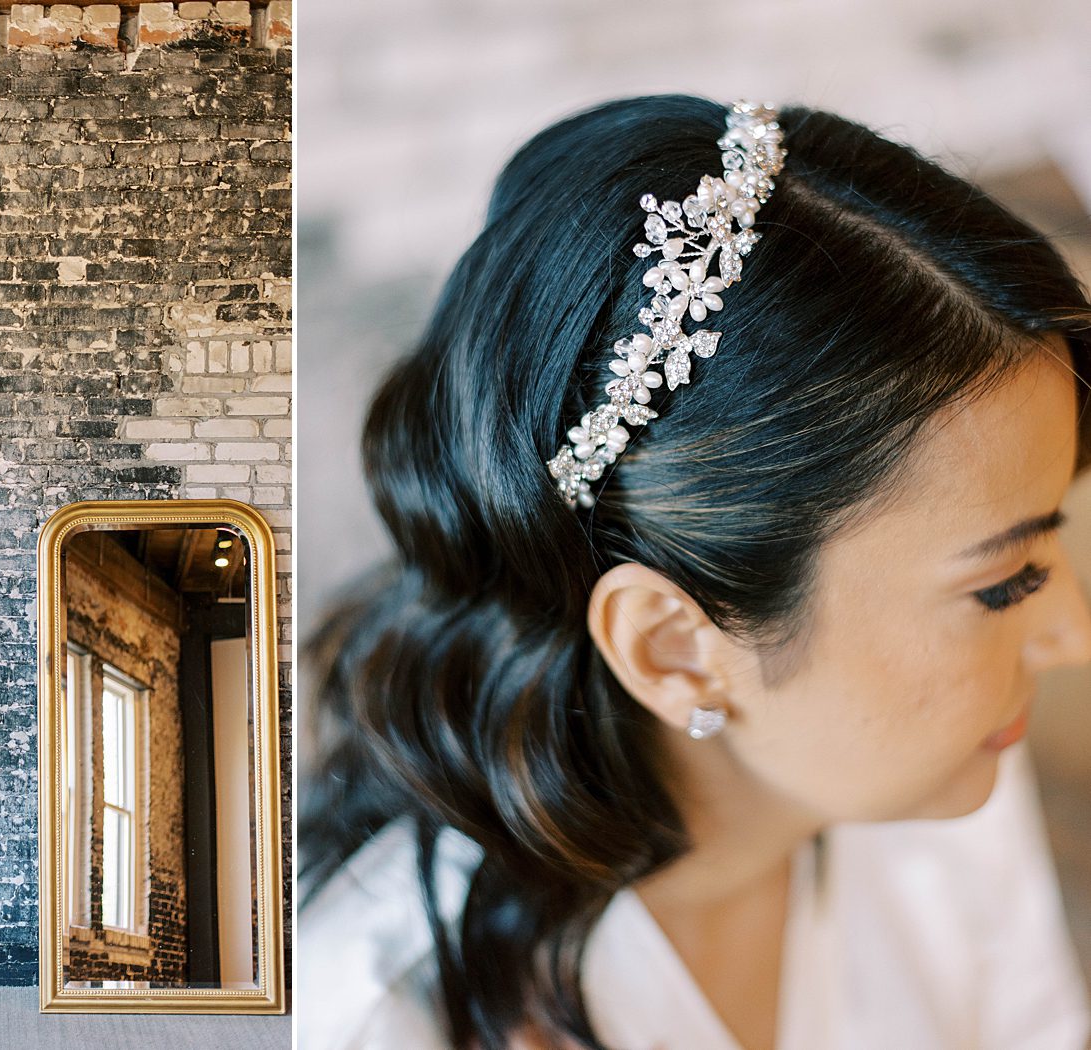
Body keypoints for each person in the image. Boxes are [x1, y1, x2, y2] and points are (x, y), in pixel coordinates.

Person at [297, 94, 1091, 1050]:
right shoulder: (386, 1018)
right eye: (1001, 584)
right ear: (674, 650)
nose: (1073, 634)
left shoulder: (945, 781)